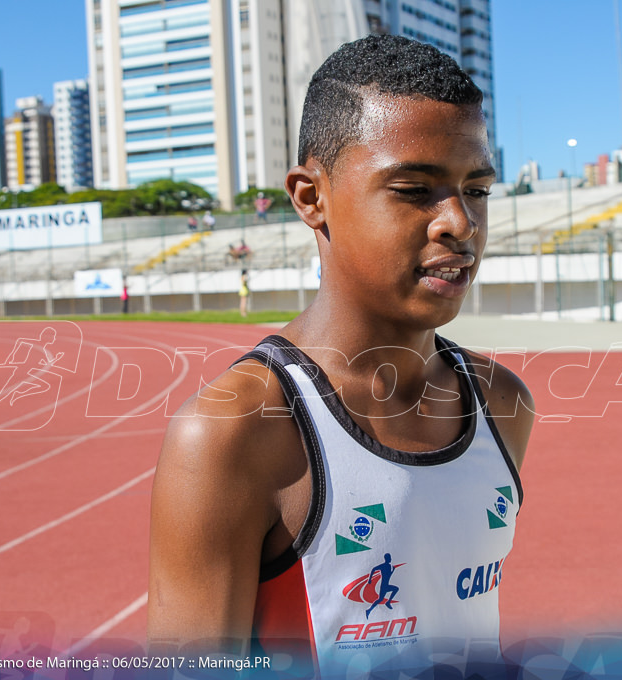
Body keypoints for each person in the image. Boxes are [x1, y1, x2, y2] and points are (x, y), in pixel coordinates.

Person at [149, 35, 534, 677]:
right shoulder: (232, 433)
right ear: (311, 197)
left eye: (479, 190)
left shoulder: (502, 402)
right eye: (414, 189)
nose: (461, 223)